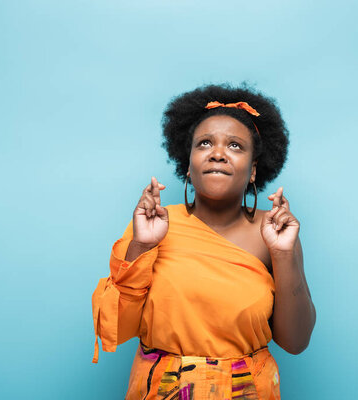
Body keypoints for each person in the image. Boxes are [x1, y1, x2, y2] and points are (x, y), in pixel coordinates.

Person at [91, 83, 316, 399]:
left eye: (235, 146)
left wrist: (282, 254)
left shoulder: (275, 232)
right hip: (160, 389)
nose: (219, 154)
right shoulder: (152, 223)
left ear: (253, 170)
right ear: (187, 163)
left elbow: (296, 341)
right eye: (205, 143)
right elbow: (114, 327)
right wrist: (142, 245)